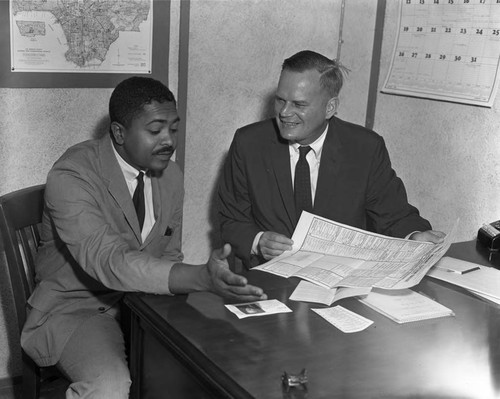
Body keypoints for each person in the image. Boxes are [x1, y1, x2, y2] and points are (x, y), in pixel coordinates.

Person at [21, 76, 267, 398]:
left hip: (143, 304)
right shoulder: (72, 175)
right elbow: (108, 259)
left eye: (174, 128)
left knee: (218, 358)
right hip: (78, 308)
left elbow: (168, 255)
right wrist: (199, 277)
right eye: (155, 130)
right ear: (119, 133)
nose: (168, 140)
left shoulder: (171, 176)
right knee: (109, 386)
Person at [218, 50, 445, 269]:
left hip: (339, 281)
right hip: (270, 280)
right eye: (280, 100)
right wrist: (258, 241)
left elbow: (394, 215)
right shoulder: (249, 144)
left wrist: (415, 236)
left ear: (330, 108)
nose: (284, 112)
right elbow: (230, 220)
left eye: (299, 104)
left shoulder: (364, 148)